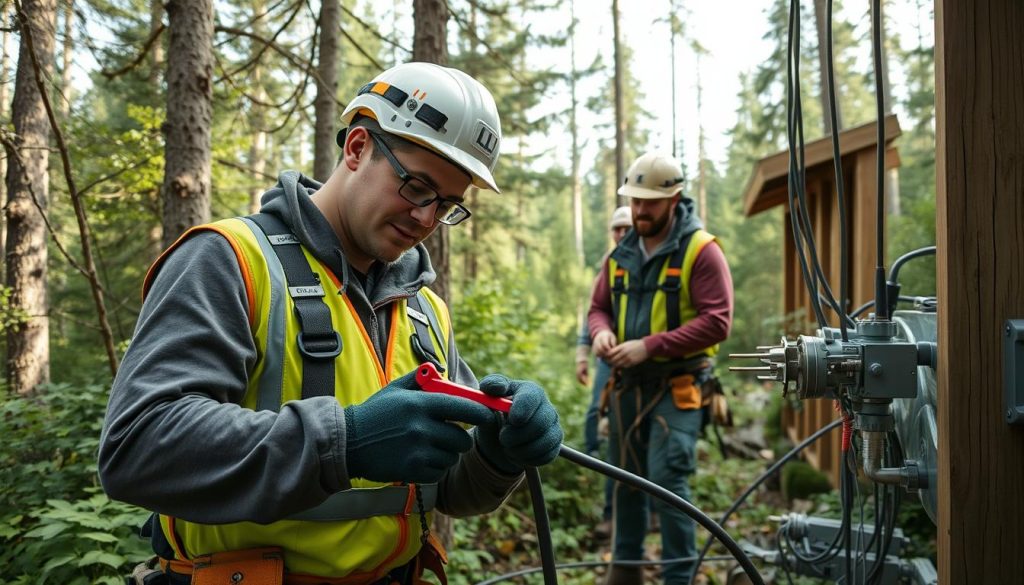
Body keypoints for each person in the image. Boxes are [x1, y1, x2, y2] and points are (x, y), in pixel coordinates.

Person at [99, 62, 564, 585]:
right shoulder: (229, 262)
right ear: (358, 147)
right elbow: (137, 446)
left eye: (449, 206)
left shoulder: (424, 312)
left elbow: (448, 491)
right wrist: (346, 443)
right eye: (416, 187)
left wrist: (497, 457)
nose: (427, 219)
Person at [588, 152, 733, 585]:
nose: (639, 210)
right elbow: (598, 308)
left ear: (675, 198)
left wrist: (649, 346)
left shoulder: (701, 251)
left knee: (670, 488)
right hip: (627, 388)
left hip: (679, 386)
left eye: (649, 202)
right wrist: (599, 333)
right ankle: (625, 575)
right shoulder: (621, 253)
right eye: (635, 201)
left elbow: (718, 321)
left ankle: (678, 580)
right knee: (625, 484)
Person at [575, 205, 632, 539]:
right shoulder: (607, 267)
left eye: (627, 228)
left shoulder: (648, 262)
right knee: (597, 416)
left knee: (635, 440)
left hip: (642, 364)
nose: (622, 234)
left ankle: (645, 511)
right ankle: (593, 460)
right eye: (617, 229)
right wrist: (584, 353)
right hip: (607, 359)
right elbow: (594, 312)